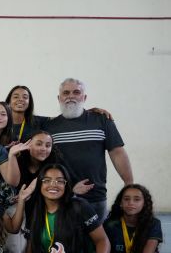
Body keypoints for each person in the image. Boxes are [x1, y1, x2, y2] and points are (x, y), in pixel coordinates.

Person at [42, 78, 133, 221]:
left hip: (96, 198)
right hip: (62, 198)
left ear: (84, 97)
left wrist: (129, 185)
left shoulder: (102, 120)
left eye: (76, 92)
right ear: (59, 98)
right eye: (66, 93)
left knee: (98, 235)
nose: (70, 96)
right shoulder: (48, 127)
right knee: (64, 235)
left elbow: (117, 153)